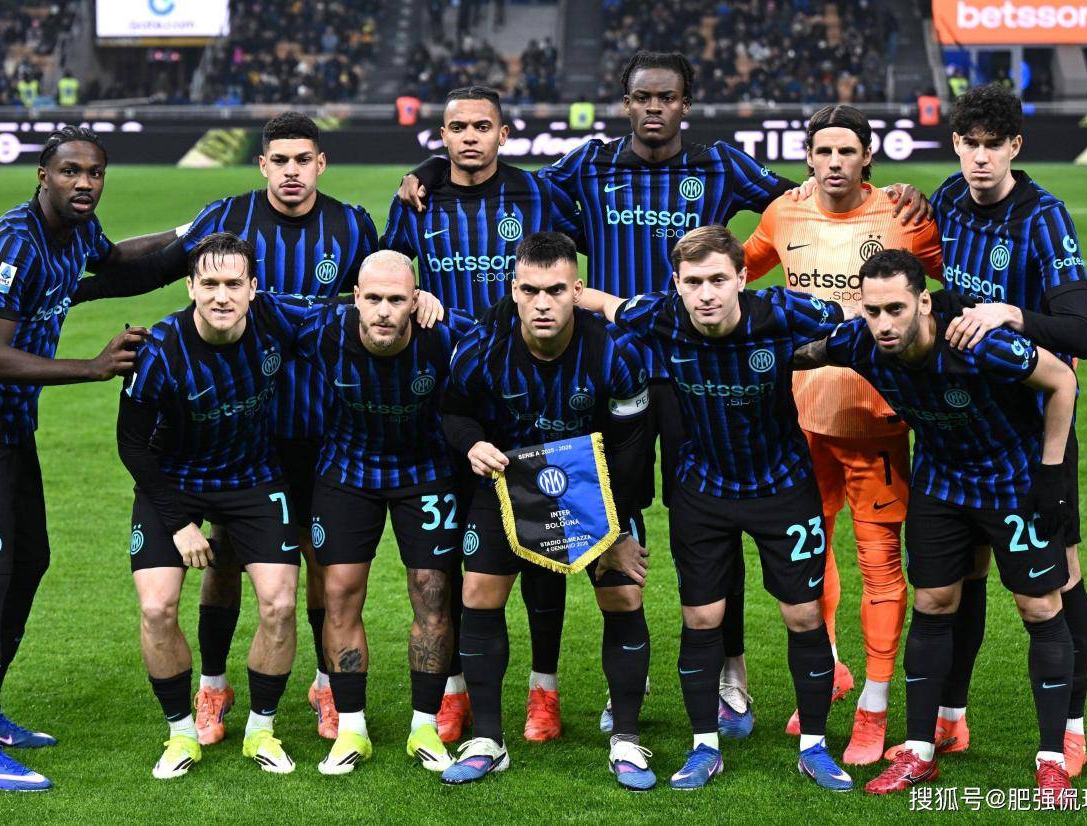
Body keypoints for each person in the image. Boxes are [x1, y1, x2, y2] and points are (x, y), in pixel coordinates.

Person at [399, 52, 930, 735]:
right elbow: (505, 178)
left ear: (686, 103)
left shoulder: (720, 165)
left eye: (668, 97)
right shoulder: (588, 165)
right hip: (605, 370)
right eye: (643, 97)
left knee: (706, 518)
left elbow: (803, 203)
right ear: (626, 103)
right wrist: (433, 169)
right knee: (584, 508)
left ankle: (731, 672)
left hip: (695, 377)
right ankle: (612, 677)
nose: (655, 107)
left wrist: (890, 194)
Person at [76, 111, 381, 745]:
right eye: (280, 160)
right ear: (263, 163)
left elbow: (371, 307)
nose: (292, 172)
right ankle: (213, 686)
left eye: (303, 160)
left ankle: (325, 683)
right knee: (221, 557)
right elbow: (158, 267)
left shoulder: (353, 225)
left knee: (317, 559)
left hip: (320, 422)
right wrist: (74, 289)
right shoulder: (227, 217)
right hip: (242, 428)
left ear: (321, 164)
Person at [795, 249, 1078, 802]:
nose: (884, 324)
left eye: (896, 309)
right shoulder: (860, 343)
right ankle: (920, 752)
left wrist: (1052, 473)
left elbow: (1062, 380)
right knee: (933, 603)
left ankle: (1052, 760)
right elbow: (800, 353)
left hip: (1011, 481)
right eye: (873, 311)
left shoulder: (977, 342)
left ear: (923, 303)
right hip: (942, 485)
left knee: (1039, 608)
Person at [0, 126, 151, 791]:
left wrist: (194, 237)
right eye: (71, 171)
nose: (85, 183)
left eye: (95, 173)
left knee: (30, 561)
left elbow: (119, 263)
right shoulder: (11, 244)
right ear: (42, 176)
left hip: (9, 425)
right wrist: (92, 366)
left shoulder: (78, 231)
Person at [584, 225, 855, 791]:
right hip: (702, 491)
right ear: (676, 284)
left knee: (803, 616)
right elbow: (603, 303)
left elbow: (857, 320)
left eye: (717, 280)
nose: (705, 294)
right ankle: (705, 746)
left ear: (742, 278)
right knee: (701, 618)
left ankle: (815, 747)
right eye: (693, 282)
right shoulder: (659, 315)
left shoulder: (782, 311)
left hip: (782, 487)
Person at [382, 85, 584, 745]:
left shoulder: (537, 194)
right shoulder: (417, 198)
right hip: (447, 399)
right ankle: (454, 692)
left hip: (530, 393)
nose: (469, 137)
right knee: (449, 556)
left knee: (545, 548)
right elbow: (389, 269)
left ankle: (544, 691)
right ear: (441, 135)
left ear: (503, 133)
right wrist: (418, 293)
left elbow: (577, 257)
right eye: (457, 127)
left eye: (481, 126)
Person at [741, 104, 942, 762]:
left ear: (866, 158)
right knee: (811, 547)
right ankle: (829, 669)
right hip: (799, 418)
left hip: (875, 421)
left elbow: (953, 284)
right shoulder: (783, 214)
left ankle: (874, 707)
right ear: (807, 157)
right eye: (823, 151)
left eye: (846, 151)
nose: (834, 163)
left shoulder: (902, 215)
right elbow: (736, 273)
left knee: (879, 562)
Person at [914, 84, 1087, 777]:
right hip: (965, 426)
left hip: (1035, 429)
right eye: (970, 144)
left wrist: (1011, 314)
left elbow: (1081, 333)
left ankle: (1070, 729)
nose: (981, 158)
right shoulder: (948, 201)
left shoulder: (1043, 217)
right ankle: (949, 718)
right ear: (955, 144)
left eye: (994, 146)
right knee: (960, 578)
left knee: (1060, 577)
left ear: (1015, 147)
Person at [439, 232, 655, 790]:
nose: (542, 303)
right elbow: (452, 411)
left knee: (623, 592)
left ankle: (627, 738)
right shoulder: (481, 345)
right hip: (509, 481)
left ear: (577, 291)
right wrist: (471, 443)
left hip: (593, 482)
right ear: (514, 290)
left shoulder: (616, 350)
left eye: (555, 290)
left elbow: (633, 448)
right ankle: (488, 740)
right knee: (478, 592)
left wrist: (616, 531)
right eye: (530, 290)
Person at [117, 232, 331, 779]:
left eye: (233, 283)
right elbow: (132, 445)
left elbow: (349, 314)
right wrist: (179, 523)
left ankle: (261, 729)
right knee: (157, 607)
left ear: (253, 288)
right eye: (209, 283)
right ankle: (180, 734)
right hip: (174, 482)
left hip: (254, 477)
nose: (221, 296)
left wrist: (419, 299)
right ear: (190, 287)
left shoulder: (276, 319)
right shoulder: (161, 349)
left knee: (279, 604)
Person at [304, 251, 475, 776]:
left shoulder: (444, 333)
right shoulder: (321, 329)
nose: (383, 310)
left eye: (397, 299)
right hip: (347, 471)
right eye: (373, 298)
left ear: (415, 300)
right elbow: (253, 307)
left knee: (432, 593)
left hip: (425, 471)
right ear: (354, 297)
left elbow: (508, 333)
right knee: (339, 594)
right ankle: (351, 728)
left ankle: (425, 724)